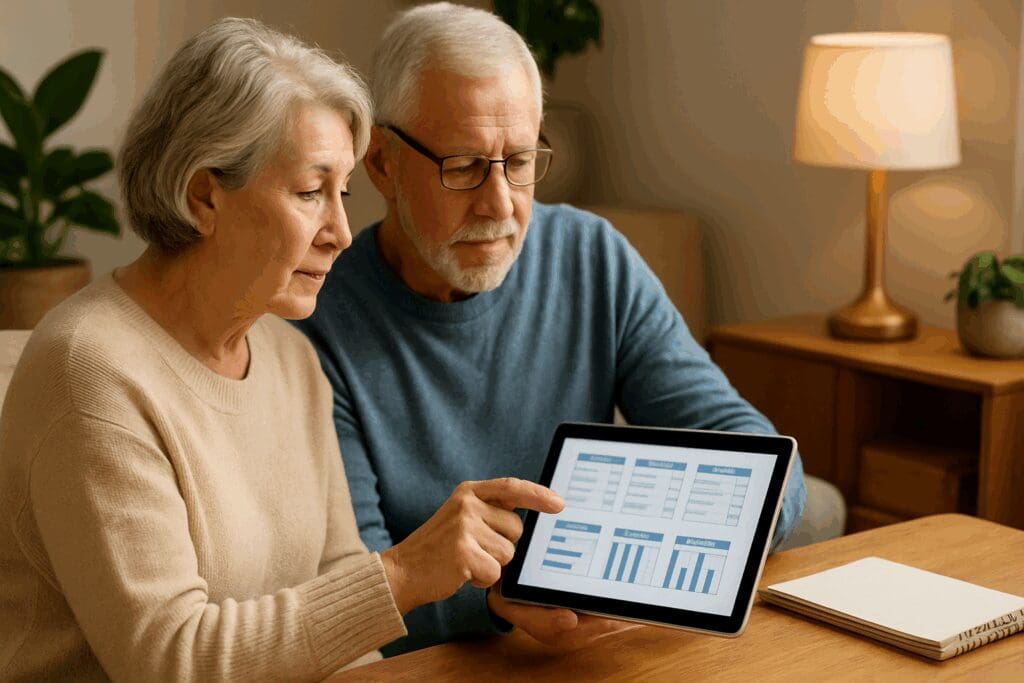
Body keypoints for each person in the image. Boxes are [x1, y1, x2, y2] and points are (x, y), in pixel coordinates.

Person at [0, 17, 563, 681]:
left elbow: (344, 611)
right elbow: (169, 660)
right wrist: (406, 571)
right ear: (204, 195)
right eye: (309, 192)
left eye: (343, 193)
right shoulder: (91, 373)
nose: (341, 232)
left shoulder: (292, 359)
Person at [294, 1, 808, 657]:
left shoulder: (592, 256)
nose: (499, 203)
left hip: (603, 652)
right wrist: (494, 599)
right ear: (383, 163)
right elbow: (356, 586)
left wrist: (666, 550)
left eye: (520, 160)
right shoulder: (317, 322)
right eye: (463, 165)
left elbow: (760, 461)